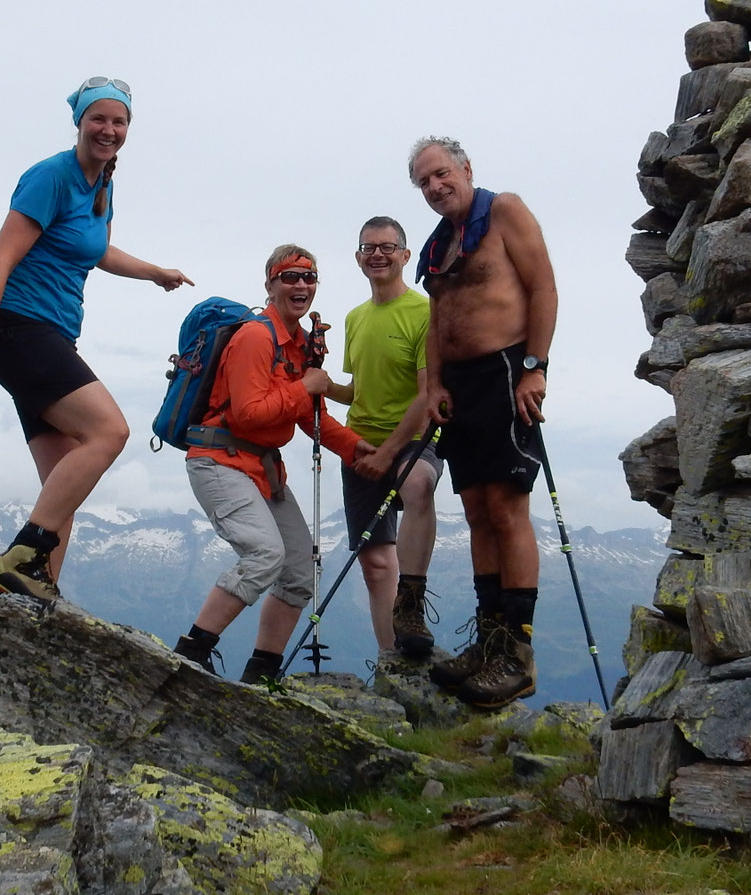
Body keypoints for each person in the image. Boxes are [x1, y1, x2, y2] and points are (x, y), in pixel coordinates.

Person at [0, 77, 191, 602]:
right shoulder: (52, 177)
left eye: (118, 121)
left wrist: (154, 272)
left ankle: (34, 592)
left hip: (49, 334)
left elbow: (94, 249)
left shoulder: (101, 183)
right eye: (98, 118)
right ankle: (20, 557)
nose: (108, 129)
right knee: (109, 431)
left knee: (63, 482)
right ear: (79, 122)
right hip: (17, 328)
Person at [173, 245, 374, 685]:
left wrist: (357, 449)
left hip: (261, 470)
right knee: (264, 555)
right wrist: (306, 387)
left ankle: (261, 674)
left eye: (309, 277)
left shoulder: (297, 345)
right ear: (270, 283)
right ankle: (189, 656)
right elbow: (248, 414)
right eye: (290, 277)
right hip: (219, 461)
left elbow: (308, 416)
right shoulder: (255, 337)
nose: (301, 285)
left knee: (300, 571)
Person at [408, 136, 558, 708]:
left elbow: (543, 286)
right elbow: (438, 318)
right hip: (460, 386)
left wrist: (535, 367)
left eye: (441, 173)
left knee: (506, 507)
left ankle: (516, 654)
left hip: (505, 371)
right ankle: (490, 642)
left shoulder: (504, 211)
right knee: (475, 511)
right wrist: (435, 384)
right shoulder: (438, 245)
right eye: (424, 181)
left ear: (466, 169)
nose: (434, 186)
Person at [325, 216, 445, 657]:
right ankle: (390, 658)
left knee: (418, 483)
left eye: (387, 247)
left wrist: (387, 453)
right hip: (361, 443)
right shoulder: (355, 318)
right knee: (375, 564)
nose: (377, 254)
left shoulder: (425, 312)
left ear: (405, 255)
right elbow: (359, 390)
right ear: (358, 258)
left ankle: (411, 602)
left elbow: (427, 393)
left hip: (413, 437)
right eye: (369, 248)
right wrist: (324, 386)